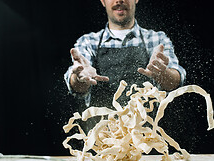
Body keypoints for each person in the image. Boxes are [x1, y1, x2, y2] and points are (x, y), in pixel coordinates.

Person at [64, 0, 186, 130]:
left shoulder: (156, 39)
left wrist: (163, 74)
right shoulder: (88, 42)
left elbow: (175, 82)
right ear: (103, 1)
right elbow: (76, 87)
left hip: (147, 138)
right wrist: (80, 77)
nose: (119, 1)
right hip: (101, 141)